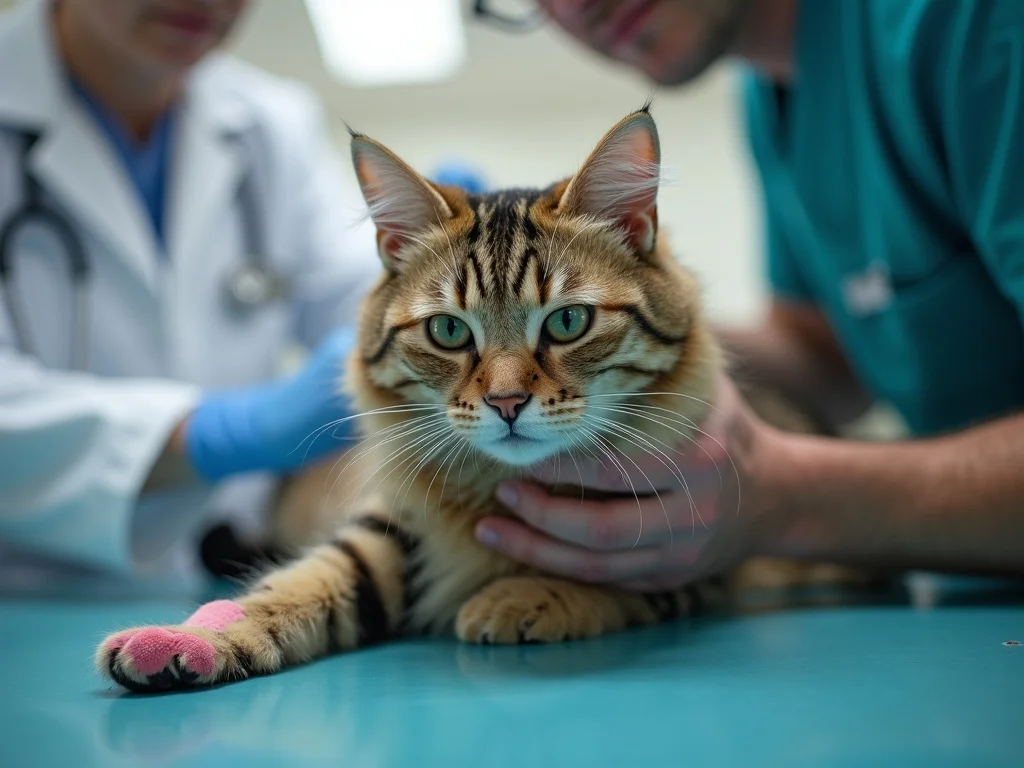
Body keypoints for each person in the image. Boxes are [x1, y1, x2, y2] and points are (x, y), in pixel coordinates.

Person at [470, 0, 1024, 589]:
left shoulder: (980, 24)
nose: (574, 8)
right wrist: (585, 327)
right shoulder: (769, 92)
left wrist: (784, 497)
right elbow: (827, 360)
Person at [0, 0, 384, 596]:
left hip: (225, 577)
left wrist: (435, 276)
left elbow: (356, 297)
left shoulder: (272, 124)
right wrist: (220, 432)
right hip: (23, 597)